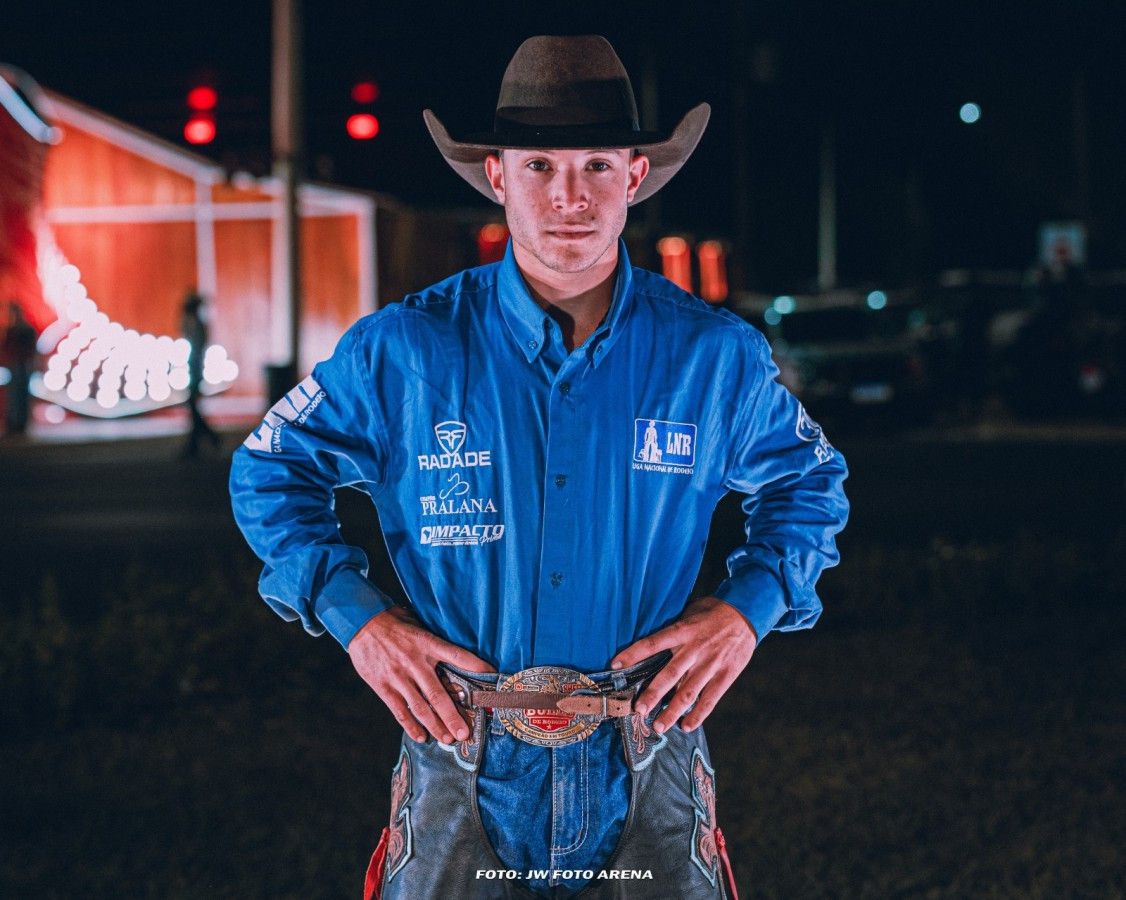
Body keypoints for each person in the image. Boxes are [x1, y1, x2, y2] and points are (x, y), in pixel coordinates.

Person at [230, 35, 849, 900]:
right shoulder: (405, 350)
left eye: (597, 163)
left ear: (636, 176)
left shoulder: (712, 357)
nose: (570, 197)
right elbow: (270, 468)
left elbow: (809, 481)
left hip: (649, 741)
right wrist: (357, 619)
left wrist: (749, 609)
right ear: (497, 176)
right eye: (540, 166)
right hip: (460, 743)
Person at [180, 291, 220, 457]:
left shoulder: (196, 324)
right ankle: (204, 439)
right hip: (193, 368)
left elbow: (196, 347)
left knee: (192, 406)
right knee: (192, 407)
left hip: (195, 369)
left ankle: (205, 439)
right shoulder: (194, 323)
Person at [3, 302, 37, 436]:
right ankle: (17, 423)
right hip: (18, 366)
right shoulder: (16, 329)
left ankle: (19, 423)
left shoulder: (20, 330)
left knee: (18, 395)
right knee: (16, 396)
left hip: (20, 366)